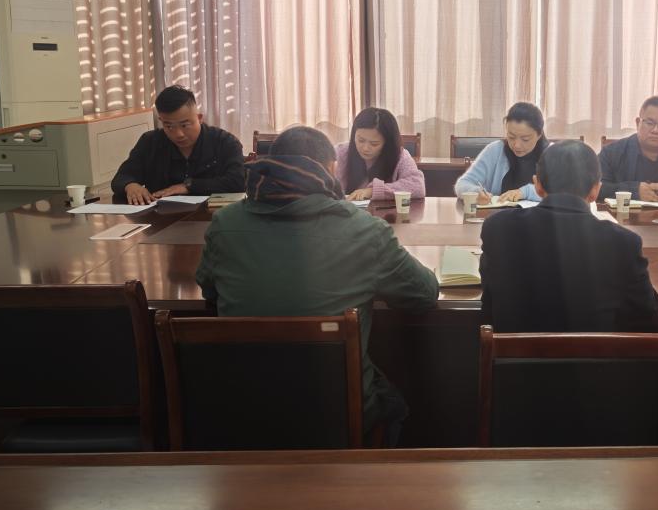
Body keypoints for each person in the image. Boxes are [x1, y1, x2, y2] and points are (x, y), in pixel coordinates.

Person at [195, 126, 438, 441]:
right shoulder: (365, 230)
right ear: (331, 170)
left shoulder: (224, 224)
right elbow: (424, 294)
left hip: (244, 405)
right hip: (337, 409)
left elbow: (209, 290)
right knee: (397, 404)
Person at [479, 140, 658, 332]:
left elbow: (489, 300)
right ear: (595, 190)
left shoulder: (498, 228)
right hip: (595, 351)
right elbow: (646, 309)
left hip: (512, 351)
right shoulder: (623, 242)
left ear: (537, 185)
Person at [111, 85, 244, 204]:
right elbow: (121, 177)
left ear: (199, 118)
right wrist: (130, 185)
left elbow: (238, 181)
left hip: (210, 217)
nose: (178, 134)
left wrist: (189, 186)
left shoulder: (224, 142)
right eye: (169, 126)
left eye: (185, 125)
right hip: (160, 218)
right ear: (161, 121)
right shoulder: (150, 142)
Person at [454, 102, 548, 203]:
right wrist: (476, 193)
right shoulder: (495, 150)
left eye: (525, 139)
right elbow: (462, 184)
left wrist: (525, 192)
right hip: (499, 212)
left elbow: (559, 194)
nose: (516, 145)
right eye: (511, 137)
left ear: (539, 135)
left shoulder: (552, 154)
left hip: (540, 213)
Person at [336, 107, 426, 203]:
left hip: (385, 212)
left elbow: (417, 186)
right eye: (360, 140)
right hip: (345, 211)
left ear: (387, 143)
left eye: (374, 143)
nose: (365, 148)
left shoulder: (400, 156)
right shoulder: (340, 152)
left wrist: (372, 191)